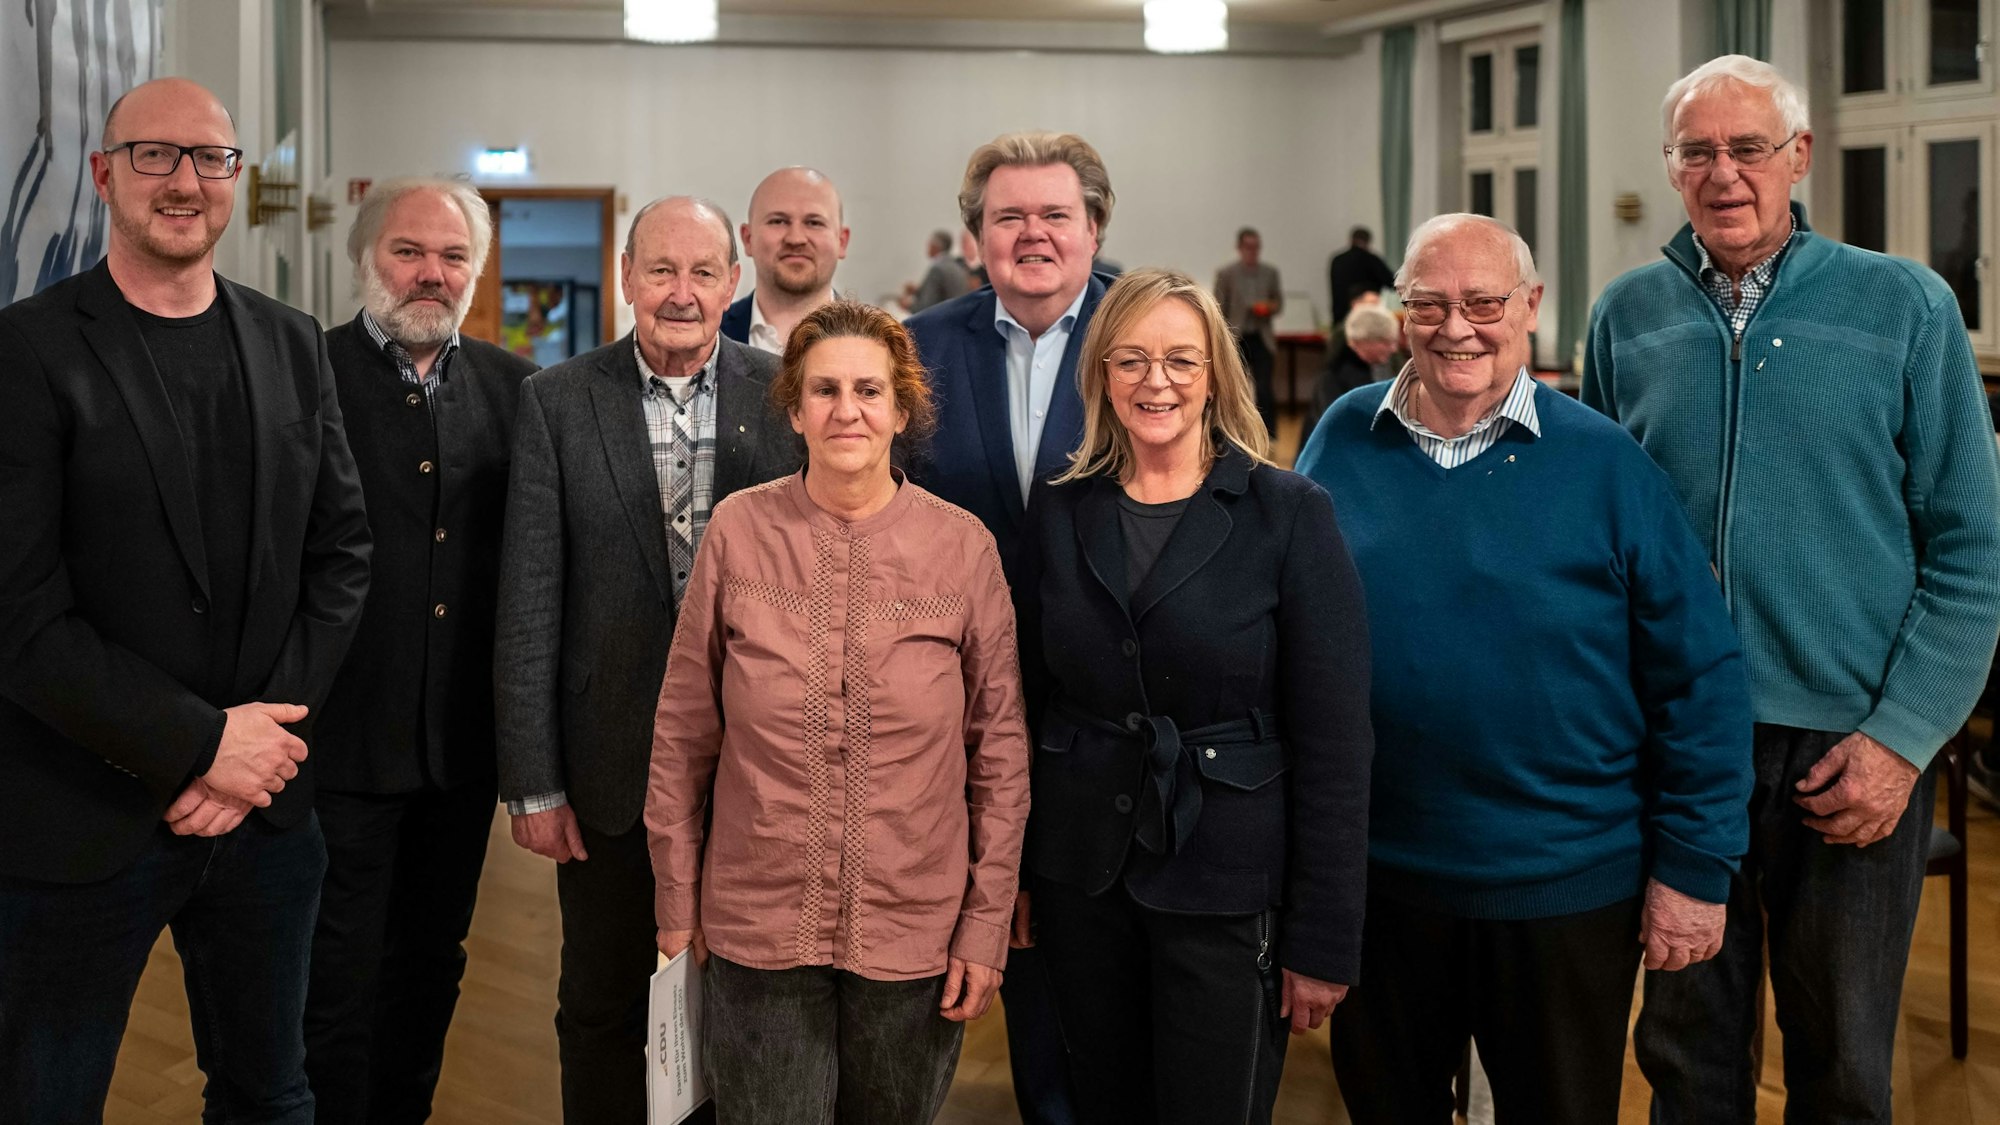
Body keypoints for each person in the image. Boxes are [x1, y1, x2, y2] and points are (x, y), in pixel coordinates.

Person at [1582, 55, 2000, 1124]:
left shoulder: (1903, 305)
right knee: (1684, 1053)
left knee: (1845, 1066)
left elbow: (1968, 553)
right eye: (1696, 153)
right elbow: (1596, 544)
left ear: (1796, 157)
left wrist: (1903, 739)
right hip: (1678, 747)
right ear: (1670, 169)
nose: (1723, 174)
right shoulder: (1623, 318)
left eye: (1747, 148)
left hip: (1846, 751)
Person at [1297, 212, 1754, 1125]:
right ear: (1399, 311)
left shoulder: (1606, 463)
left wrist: (1698, 868)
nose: (1455, 326)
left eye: (1483, 302)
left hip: (1564, 884)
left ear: (1533, 307)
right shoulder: (1344, 436)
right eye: (1429, 303)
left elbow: (1701, 676)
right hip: (1383, 880)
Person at [0, 77, 371, 1122]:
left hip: (265, 819)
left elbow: (341, 553)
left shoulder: (291, 340)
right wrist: (199, 743)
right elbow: (22, 617)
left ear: (236, 182)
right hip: (78, 819)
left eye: (210, 158)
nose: (185, 180)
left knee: (270, 1096)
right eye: (155, 155)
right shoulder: (26, 352)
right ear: (103, 174)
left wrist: (260, 748)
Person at [646, 299, 1030, 1124]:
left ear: (900, 408)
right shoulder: (739, 532)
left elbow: (999, 755)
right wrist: (676, 903)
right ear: (793, 407)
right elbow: (682, 736)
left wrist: (984, 924)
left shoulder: (964, 548)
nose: (846, 410)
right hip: (757, 924)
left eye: (868, 389)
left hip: (915, 931)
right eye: (823, 390)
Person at [1020, 267, 1373, 1124]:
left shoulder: (1288, 511)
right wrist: (1020, 874)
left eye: (1181, 359)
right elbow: (1030, 705)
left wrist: (1324, 936)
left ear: (1216, 372)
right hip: (1085, 877)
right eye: (1132, 359)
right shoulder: (1062, 507)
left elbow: (1334, 740)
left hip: (1227, 880)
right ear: (1101, 373)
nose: (1157, 381)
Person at [494, 195, 800, 1123]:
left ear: (733, 283)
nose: (681, 292)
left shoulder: (787, 393)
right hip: (607, 770)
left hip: (760, 766)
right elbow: (529, 598)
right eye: (660, 270)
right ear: (627, 277)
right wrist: (534, 785)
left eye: (703, 272)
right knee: (600, 1001)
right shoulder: (554, 399)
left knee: (744, 1007)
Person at [304, 176, 538, 1125]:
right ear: (365, 258)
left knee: (432, 964)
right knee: (336, 970)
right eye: (409, 252)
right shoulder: (304, 373)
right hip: (335, 743)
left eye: (452, 258)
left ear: (476, 275)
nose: (430, 274)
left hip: (458, 751)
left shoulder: (518, 389)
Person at [905, 128, 1118, 1125]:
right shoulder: (922, 346)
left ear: (1093, 226)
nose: (1031, 233)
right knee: (1006, 936)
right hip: (956, 708)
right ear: (975, 233)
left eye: (1053, 214)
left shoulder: (1149, 329)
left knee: (1102, 959)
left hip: (1114, 706)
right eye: (1007, 217)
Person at [720, 166, 849, 354]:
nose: (795, 239)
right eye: (778, 221)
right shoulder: (708, 337)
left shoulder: (881, 344)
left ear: (842, 241)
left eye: (814, 223)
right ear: (748, 239)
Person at [1214, 226, 1283, 433]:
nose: (1252, 251)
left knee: (1264, 387)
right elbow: (1218, 307)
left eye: (1256, 247)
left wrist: (1268, 307)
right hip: (1237, 337)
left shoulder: (1270, 273)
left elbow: (1278, 303)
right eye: (1248, 247)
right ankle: (1235, 431)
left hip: (1262, 336)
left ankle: (1269, 432)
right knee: (1234, 388)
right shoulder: (1226, 274)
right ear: (1239, 248)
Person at [1307, 302, 1398, 432]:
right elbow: (1335, 425)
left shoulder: (1380, 367)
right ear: (1365, 340)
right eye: (1386, 342)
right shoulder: (1333, 377)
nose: (1393, 349)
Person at [1327, 226, 1395, 325]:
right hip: (1364, 318)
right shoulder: (1371, 260)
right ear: (1368, 241)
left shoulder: (1337, 260)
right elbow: (1391, 282)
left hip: (1340, 317)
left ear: (1351, 240)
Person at [903, 228, 972, 313]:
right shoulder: (958, 267)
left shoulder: (937, 269)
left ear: (935, 246)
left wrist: (907, 305)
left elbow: (926, 306)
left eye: (929, 244)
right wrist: (919, 291)